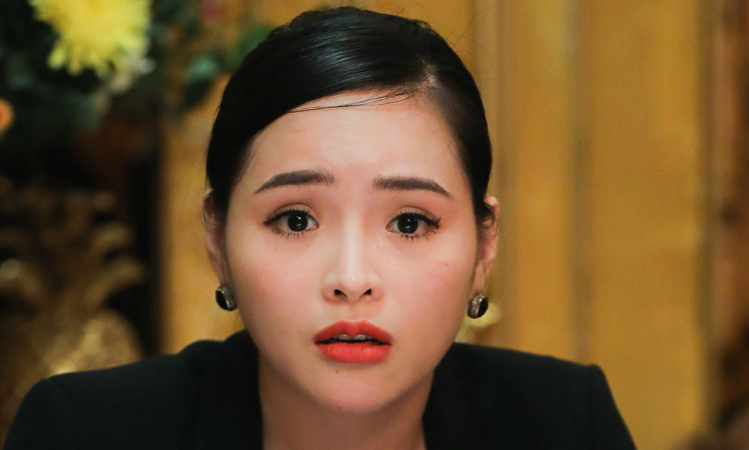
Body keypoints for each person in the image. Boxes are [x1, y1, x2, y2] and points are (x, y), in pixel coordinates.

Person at [4, 7, 635, 450]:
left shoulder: (564, 425)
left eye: (409, 222)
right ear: (218, 239)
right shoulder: (83, 432)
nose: (351, 279)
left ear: (484, 246)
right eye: (296, 219)